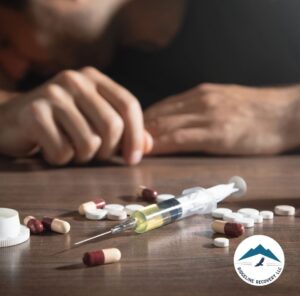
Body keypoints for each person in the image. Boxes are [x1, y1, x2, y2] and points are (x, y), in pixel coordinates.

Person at [0, 0, 300, 166]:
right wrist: (8, 111)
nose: (12, 69)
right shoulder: (55, 63)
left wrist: (287, 114)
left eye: (5, 40)